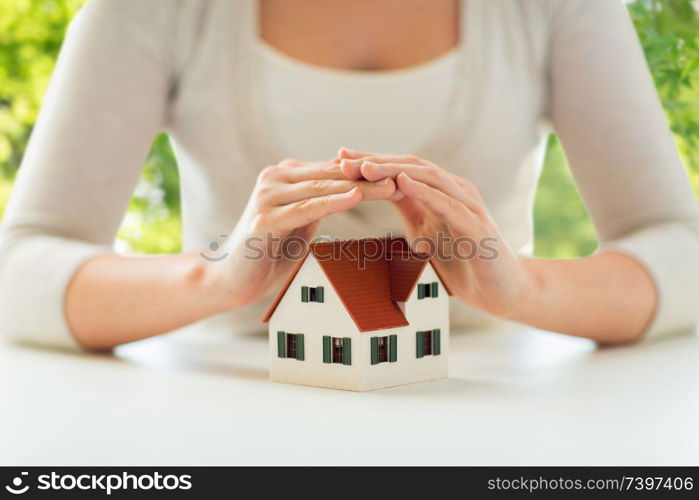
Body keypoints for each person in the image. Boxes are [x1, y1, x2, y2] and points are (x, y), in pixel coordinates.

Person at [0, 0, 697, 351]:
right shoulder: (153, 12)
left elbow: (679, 245)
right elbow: (19, 265)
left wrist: (522, 285)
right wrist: (213, 277)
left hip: (490, 411)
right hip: (222, 411)